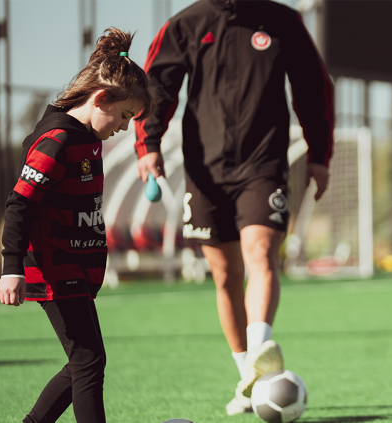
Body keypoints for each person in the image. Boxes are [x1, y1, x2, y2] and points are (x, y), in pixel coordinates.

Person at [134, 0, 334, 415]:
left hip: (264, 164)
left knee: (261, 253)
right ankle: (248, 377)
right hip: (205, 169)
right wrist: (148, 144)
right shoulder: (186, 25)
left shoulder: (284, 22)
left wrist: (319, 153)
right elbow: (156, 86)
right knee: (225, 274)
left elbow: (313, 86)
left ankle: (259, 354)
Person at [0, 28, 156, 423]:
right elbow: (20, 204)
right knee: (88, 359)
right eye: (124, 116)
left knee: (85, 361)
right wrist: (11, 267)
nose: (125, 126)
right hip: (53, 264)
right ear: (100, 98)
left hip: (73, 265)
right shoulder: (58, 141)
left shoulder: (88, 138)